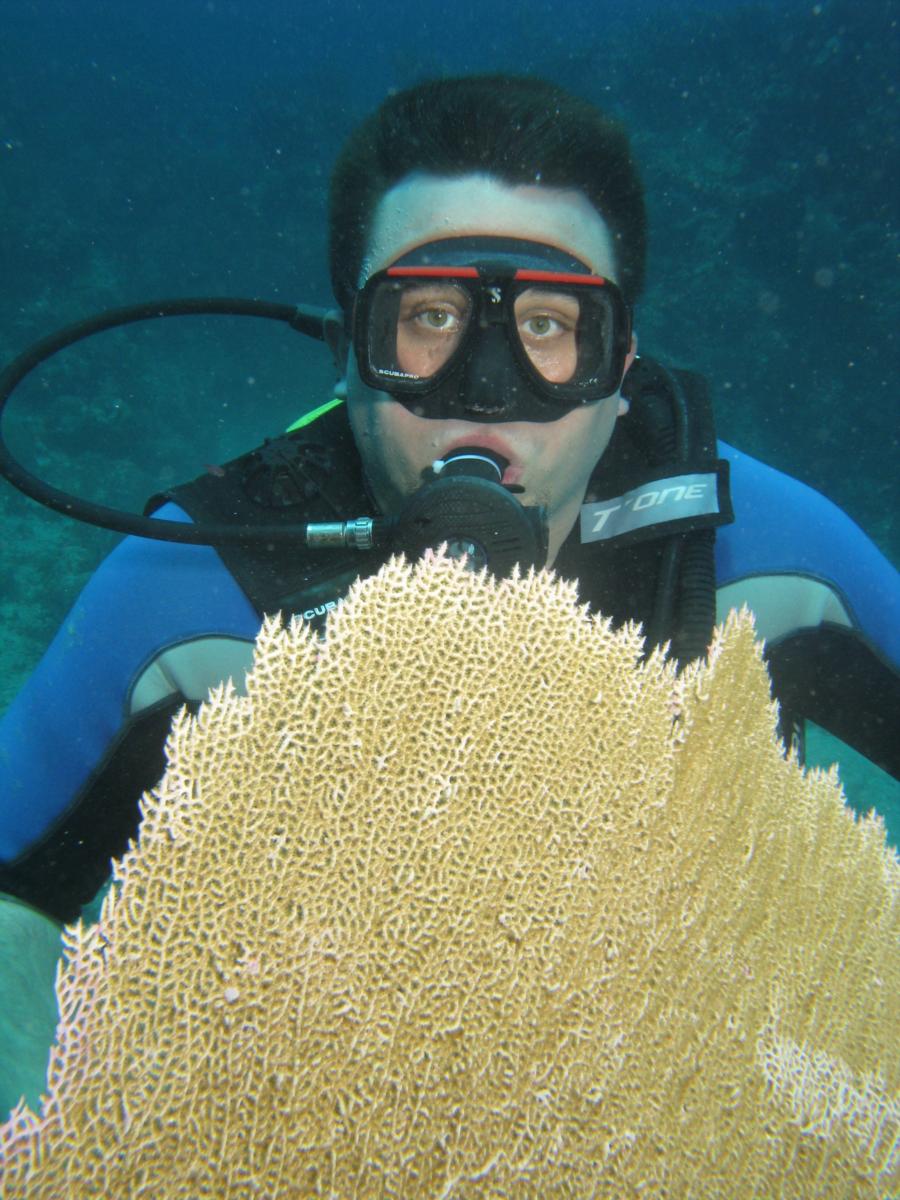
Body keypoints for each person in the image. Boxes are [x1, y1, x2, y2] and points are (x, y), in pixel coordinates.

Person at [1, 74, 898, 939]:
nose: (486, 395)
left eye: (548, 325)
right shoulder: (192, 589)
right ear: (348, 351)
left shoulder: (766, 551)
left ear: (622, 369)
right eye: (429, 317)